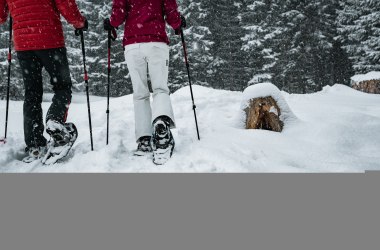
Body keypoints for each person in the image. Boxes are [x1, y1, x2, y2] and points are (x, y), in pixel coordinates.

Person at [0, 0, 88, 163]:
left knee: (32, 92)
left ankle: (34, 144)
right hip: (50, 40)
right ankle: (55, 121)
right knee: (63, 87)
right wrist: (79, 22)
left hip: (24, 45)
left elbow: (1, 16)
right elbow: (65, 4)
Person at [104, 0, 186, 165]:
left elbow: (118, 13)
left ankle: (144, 139)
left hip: (133, 45)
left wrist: (111, 23)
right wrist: (178, 22)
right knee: (160, 89)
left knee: (140, 93)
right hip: (156, 41)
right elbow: (170, 11)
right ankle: (161, 128)